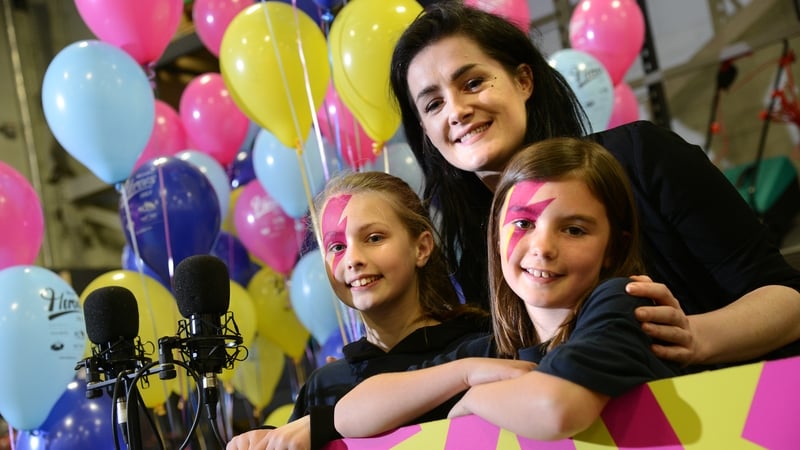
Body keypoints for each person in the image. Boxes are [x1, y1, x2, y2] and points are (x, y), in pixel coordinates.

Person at [388, 1, 800, 367]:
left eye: (473, 82)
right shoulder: (474, 247)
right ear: (424, 129)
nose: (457, 110)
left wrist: (695, 337)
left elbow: (787, 299)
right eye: (434, 103)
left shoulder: (641, 156)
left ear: (524, 81)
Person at [334, 138, 682, 441]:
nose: (542, 247)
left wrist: (471, 399)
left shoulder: (622, 302)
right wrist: (465, 373)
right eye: (523, 223)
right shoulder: (496, 353)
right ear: (497, 237)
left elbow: (557, 408)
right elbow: (349, 414)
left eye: (574, 230)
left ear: (614, 250)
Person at [226, 171, 490, 450]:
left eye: (374, 238)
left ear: (421, 248)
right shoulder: (325, 386)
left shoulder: (481, 351)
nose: (353, 259)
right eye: (337, 246)